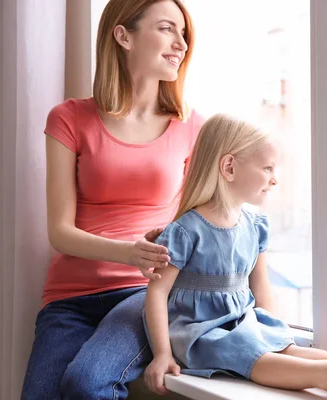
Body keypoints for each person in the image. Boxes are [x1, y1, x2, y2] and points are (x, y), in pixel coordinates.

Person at [20, 1, 205, 399]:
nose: (181, 43)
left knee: (88, 383)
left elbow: (205, 222)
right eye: (167, 29)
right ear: (123, 35)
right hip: (69, 298)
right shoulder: (69, 118)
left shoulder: (191, 126)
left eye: (184, 33)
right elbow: (60, 232)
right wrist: (129, 252)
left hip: (144, 295)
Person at [143, 114, 327, 400]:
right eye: (267, 168)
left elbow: (260, 287)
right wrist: (162, 354)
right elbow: (157, 292)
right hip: (199, 332)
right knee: (251, 354)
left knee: (283, 345)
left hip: (241, 321)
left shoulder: (255, 226)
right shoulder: (186, 230)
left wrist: (273, 333)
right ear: (229, 167)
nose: (274, 179)